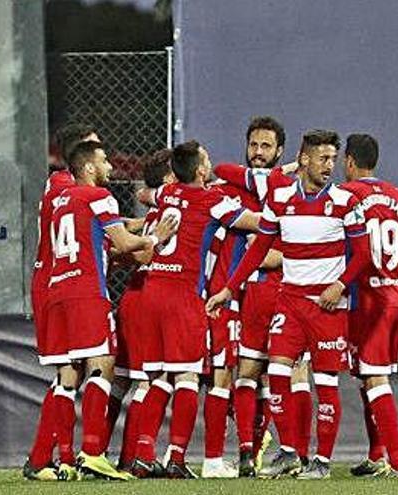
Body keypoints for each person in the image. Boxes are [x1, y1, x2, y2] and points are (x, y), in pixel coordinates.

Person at [207, 130, 371, 480]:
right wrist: (228, 289)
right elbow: (256, 249)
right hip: (291, 302)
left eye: (333, 159)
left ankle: (322, 461)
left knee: (325, 382)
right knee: (277, 371)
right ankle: (290, 451)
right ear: (305, 158)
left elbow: (363, 255)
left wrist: (339, 285)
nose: (330, 166)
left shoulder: (344, 201)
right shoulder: (280, 199)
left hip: (327, 306)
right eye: (323, 158)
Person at [46, 140, 177, 481]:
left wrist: (132, 230)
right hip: (89, 294)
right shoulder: (98, 197)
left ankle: (64, 460)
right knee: (101, 366)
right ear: (88, 167)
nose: (110, 167)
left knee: (66, 375)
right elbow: (122, 243)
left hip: (58, 291)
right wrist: (156, 237)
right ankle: (91, 452)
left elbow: (100, 241)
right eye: (104, 161)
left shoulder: (60, 202)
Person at [129, 140, 261, 479]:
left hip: (151, 291)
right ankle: (176, 458)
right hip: (183, 295)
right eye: (207, 160)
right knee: (187, 377)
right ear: (201, 170)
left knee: (156, 377)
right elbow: (255, 223)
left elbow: (146, 195)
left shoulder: (166, 194)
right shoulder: (213, 200)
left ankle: (144, 454)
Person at [210, 116, 314, 476]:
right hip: (250, 290)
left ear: (280, 150)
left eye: (266, 146)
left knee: (290, 373)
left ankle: (295, 452)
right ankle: (247, 453)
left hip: (287, 289)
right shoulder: (256, 185)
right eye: (253, 145)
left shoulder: (286, 186)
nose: (258, 152)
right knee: (249, 372)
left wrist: (279, 251)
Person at [338, 134, 398, 478]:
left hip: (368, 299)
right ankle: (376, 455)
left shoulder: (345, 195)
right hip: (397, 294)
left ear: (350, 162)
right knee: (366, 376)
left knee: (374, 377)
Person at [24, 123, 99, 481]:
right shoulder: (68, 189)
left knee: (72, 371)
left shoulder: (60, 186)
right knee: (68, 371)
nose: (102, 154)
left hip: (57, 282)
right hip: (56, 283)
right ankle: (46, 457)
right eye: (95, 148)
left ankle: (45, 456)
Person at [111, 149, 176, 473]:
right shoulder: (171, 213)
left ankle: (100, 453)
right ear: (168, 179)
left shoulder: (152, 211)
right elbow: (148, 256)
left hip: (133, 297)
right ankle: (137, 456)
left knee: (121, 382)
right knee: (149, 380)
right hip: (150, 298)